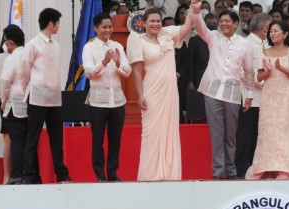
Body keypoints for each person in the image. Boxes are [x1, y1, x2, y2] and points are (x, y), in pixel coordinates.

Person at [127, 6, 196, 181]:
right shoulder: (136, 39)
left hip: (171, 92)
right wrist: (140, 95)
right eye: (152, 21)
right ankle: (149, 176)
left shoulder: (167, 34)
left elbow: (187, 27)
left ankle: (169, 174)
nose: (156, 24)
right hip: (151, 91)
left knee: (170, 131)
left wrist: (194, 9)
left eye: (158, 20)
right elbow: (136, 71)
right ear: (144, 23)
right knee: (151, 134)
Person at [192, 8, 255, 180]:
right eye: (222, 21)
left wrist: (249, 94)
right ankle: (218, 173)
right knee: (217, 134)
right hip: (212, 92)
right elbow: (200, 26)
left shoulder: (245, 44)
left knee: (230, 136)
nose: (224, 24)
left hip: (233, 93)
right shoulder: (213, 37)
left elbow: (249, 71)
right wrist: (196, 11)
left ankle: (232, 172)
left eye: (228, 21)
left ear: (236, 24)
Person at [246, 20, 289, 180]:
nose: (272, 34)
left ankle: (286, 168)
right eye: (271, 31)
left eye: (276, 31)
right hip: (269, 97)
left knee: (285, 131)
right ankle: (267, 168)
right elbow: (259, 77)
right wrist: (268, 71)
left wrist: (280, 68)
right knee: (268, 132)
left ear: (285, 33)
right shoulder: (264, 51)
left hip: (288, 97)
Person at [21, 8, 72, 184]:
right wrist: (26, 91)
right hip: (37, 98)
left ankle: (62, 175)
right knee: (32, 139)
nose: (59, 26)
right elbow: (23, 71)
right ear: (50, 24)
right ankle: (29, 176)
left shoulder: (56, 45)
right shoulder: (33, 44)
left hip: (55, 99)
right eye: (57, 23)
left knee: (57, 139)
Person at [82, 12, 131, 182]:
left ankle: (112, 173)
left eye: (110, 27)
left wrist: (117, 62)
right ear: (95, 28)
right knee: (97, 141)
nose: (108, 30)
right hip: (97, 101)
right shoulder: (89, 47)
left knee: (115, 140)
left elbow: (127, 71)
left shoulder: (117, 45)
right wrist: (103, 62)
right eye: (104, 27)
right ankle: (100, 175)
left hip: (117, 100)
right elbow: (88, 73)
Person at [235, 13, 271, 179]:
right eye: (270, 27)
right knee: (246, 135)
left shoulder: (265, 44)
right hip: (249, 97)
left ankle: (255, 169)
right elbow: (242, 70)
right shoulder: (246, 43)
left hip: (264, 99)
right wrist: (262, 83)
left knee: (259, 136)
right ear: (264, 28)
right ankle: (241, 169)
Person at [0, 25, 26, 185]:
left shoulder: (11, 58)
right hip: (30, 105)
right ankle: (30, 174)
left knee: (16, 141)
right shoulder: (30, 54)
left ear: (9, 42)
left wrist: (3, 102)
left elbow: (4, 83)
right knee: (29, 142)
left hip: (14, 106)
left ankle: (16, 176)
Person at [0, 35, 11, 184]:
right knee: (9, 140)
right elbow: (3, 80)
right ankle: (6, 175)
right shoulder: (0, 57)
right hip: (5, 100)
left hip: (20, 100)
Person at [187, 13, 218, 91]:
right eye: (209, 24)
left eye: (214, 24)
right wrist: (190, 81)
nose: (212, 25)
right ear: (204, 24)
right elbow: (190, 62)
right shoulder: (194, 40)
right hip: (199, 80)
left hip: (217, 80)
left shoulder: (222, 40)